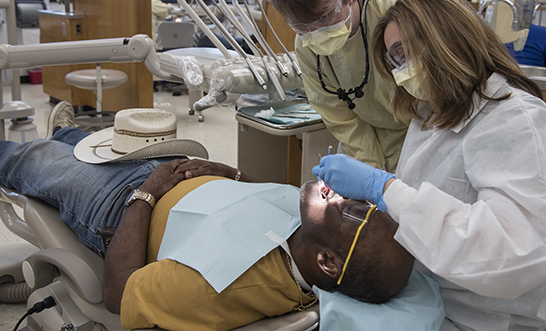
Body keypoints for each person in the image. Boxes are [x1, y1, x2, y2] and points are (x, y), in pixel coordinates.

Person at [0, 104, 413, 331]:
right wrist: (230, 173)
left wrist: (146, 194)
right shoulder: (311, 232)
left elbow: (119, 293)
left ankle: (51, 142)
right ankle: (66, 133)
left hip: (120, 204)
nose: (344, 196)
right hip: (173, 174)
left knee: (28, 159)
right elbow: (266, 195)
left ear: (328, 262)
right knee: (100, 141)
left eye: (353, 210)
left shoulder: (219, 286)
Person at [313, 0, 546, 330]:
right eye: (396, 59)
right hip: (425, 294)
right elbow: (424, 207)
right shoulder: (432, 113)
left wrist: (386, 188)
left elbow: (516, 256)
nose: (402, 70)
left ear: (447, 38)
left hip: (480, 318)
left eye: (405, 53)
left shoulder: (518, 122)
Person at [270, 0, 411, 172]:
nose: (315, 32)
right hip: (367, 136)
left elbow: (436, 99)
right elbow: (337, 114)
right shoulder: (307, 44)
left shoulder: (399, 11)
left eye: (324, 16)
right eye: (301, 25)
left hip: (422, 131)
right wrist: (371, 172)